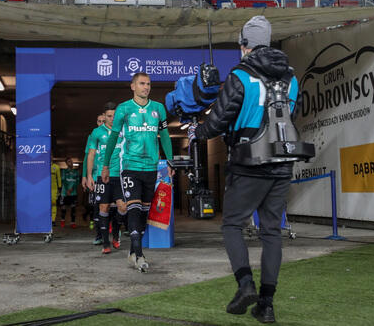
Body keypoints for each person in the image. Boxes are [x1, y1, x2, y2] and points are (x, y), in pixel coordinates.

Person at [189, 16, 300, 323]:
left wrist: (197, 132)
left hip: (249, 162)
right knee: (271, 233)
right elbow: (293, 115)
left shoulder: (241, 75)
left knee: (232, 225)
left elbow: (217, 122)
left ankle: (245, 285)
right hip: (282, 164)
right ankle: (266, 305)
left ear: (245, 45)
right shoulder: (291, 78)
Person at [102, 72, 174, 272]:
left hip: (151, 168)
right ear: (132, 86)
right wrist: (106, 165)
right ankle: (140, 254)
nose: (146, 87)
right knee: (132, 207)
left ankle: (133, 251)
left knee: (143, 212)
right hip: (130, 167)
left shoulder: (158, 109)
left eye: (149, 84)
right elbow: (113, 138)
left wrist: (170, 161)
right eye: (142, 83)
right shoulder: (123, 109)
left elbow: (165, 136)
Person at [87, 102, 126, 254]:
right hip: (102, 177)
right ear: (104, 116)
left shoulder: (123, 130)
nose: (112, 119)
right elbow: (91, 154)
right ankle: (105, 242)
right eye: (109, 116)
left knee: (122, 207)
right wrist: (89, 175)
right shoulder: (96, 133)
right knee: (104, 207)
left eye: (114, 116)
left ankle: (116, 234)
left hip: (120, 176)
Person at [82, 114, 105, 244]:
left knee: (111, 206)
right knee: (96, 206)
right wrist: (85, 176)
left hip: (110, 175)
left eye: (103, 121)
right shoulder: (92, 137)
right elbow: (86, 157)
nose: (101, 123)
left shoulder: (114, 134)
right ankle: (99, 235)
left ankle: (114, 231)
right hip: (95, 177)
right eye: (99, 121)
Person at [60, 157, 80, 229]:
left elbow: (77, 182)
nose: (70, 163)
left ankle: (73, 222)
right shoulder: (64, 171)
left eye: (71, 161)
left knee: (73, 208)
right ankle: (62, 220)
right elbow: (63, 180)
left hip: (73, 193)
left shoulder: (76, 172)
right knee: (63, 207)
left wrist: (72, 188)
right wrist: (67, 189)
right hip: (65, 193)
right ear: (66, 163)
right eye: (69, 161)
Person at [51, 157, 62, 227]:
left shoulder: (56, 167)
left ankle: (53, 220)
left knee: (53, 204)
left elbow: (59, 178)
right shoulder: (43, 165)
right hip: (44, 189)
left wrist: (60, 187)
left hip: (54, 189)